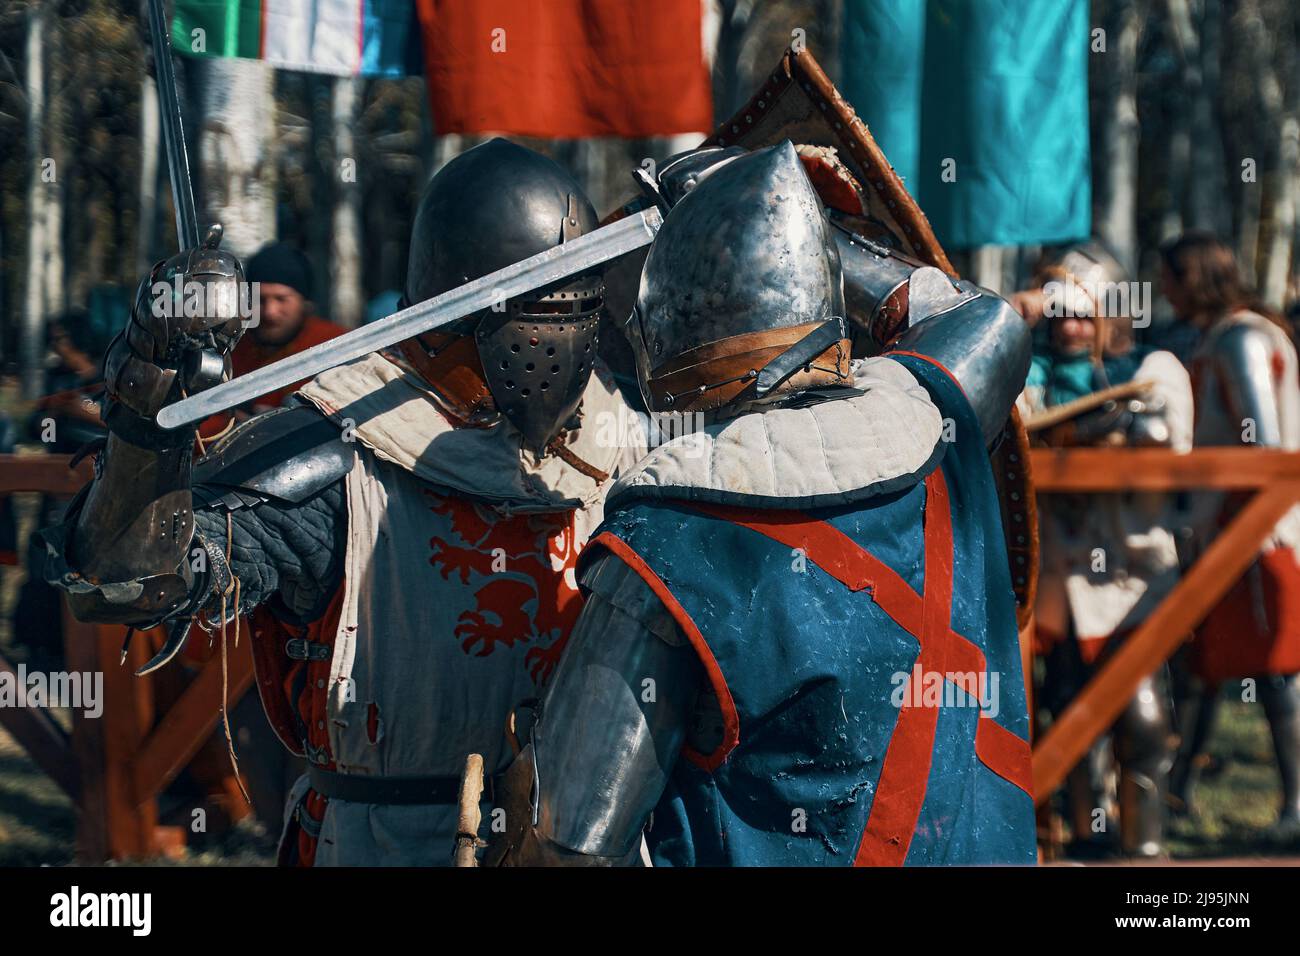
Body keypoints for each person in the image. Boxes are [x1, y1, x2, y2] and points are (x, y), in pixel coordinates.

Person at [43, 138, 643, 866]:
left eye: (577, 308)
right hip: (388, 845)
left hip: (573, 844)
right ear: (458, 312)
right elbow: (126, 580)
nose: (562, 339)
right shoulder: (335, 453)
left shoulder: (623, 441)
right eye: (537, 313)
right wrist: (148, 393)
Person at [484, 142, 1036, 866]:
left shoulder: (667, 537)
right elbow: (985, 320)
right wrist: (820, 233)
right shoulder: (940, 421)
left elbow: (574, 841)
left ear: (664, 339)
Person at [1014, 243, 1192, 858]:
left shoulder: (1153, 365)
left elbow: (1165, 437)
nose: (1071, 326)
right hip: (1057, 576)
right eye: (1059, 313)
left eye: (1083, 313)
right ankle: (1088, 838)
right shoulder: (1023, 374)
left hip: (1129, 571)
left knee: (1142, 720)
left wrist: (1102, 425)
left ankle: (1144, 854)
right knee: (1066, 713)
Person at [1161, 232, 1300, 836]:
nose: (1163, 290)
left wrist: (1245, 526)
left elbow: (1261, 443)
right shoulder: (1225, 335)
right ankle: (1176, 794)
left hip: (1257, 531)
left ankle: (1296, 808)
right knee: (1210, 665)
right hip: (1232, 526)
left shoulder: (1241, 336)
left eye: (1169, 276)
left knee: (1275, 671)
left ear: (1192, 276)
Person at [196, 243, 346, 445]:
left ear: (304, 302)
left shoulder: (336, 345)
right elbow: (200, 424)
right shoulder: (229, 347)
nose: (270, 312)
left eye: (282, 299)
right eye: (260, 299)